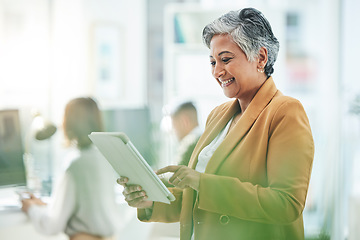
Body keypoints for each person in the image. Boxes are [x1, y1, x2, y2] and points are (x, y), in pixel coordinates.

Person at [118, 7, 314, 240]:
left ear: (261, 57)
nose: (217, 71)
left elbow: (286, 204)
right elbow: (199, 201)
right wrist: (151, 201)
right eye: (212, 62)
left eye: (226, 59)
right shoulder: (218, 115)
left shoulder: (285, 112)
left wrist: (202, 181)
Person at [21, 97, 118, 240]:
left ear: (70, 123)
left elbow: (52, 225)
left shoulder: (75, 165)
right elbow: (87, 208)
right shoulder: (106, 159)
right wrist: (46, 205)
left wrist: (31, 208)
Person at [170, 101, 202, 166]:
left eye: (174, 126)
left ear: (185, 121)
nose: (174, 132)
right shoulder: (205, 138)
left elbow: (173, 173)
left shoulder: (189, 142)